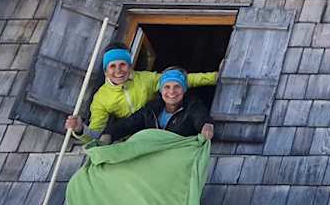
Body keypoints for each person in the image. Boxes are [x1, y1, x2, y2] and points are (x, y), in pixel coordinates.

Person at [64, 45, 219, 143]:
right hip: (131, 143)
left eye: (123, 64)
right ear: (106, 71)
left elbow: (179, 80)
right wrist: (80, 130)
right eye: (112, 66)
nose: (118, 70)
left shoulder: (145, 79)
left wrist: (215, 77)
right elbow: (97, 133)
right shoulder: (101, 98)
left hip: (160, 135)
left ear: (130, 66)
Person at [104, 68, 215, 142]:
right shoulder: (152, 108)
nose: (172, 92)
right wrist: (109, 133)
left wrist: (206, 126)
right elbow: (129, 123)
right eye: (167, 87)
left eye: (177, 86)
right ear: (161, 90)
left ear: (184, 90)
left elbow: (201, 117)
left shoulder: (192, 106)